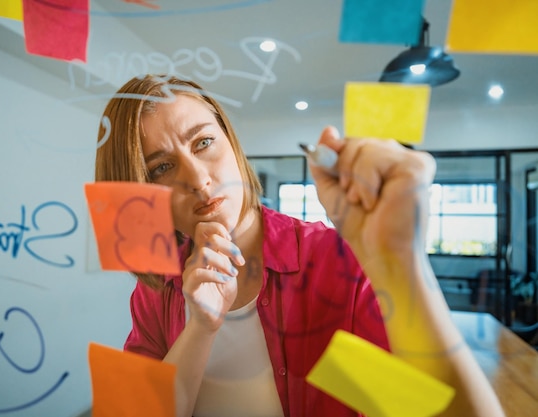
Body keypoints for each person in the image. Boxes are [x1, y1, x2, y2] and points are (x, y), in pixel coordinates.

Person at [95, 74, 504, 417]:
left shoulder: (332, 260)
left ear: (230, 142)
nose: (199, 179)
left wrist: (401, 262)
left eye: (203, 142)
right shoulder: (158, 287)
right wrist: (200, 328)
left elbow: (427, 407)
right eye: (162, 167)